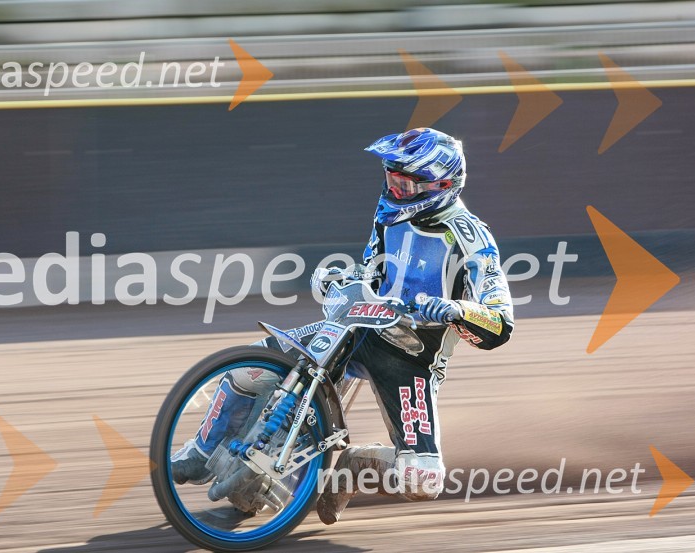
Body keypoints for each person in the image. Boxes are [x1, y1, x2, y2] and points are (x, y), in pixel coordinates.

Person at [170, 127, 514, 524]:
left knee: (423, 479)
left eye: (405, 183)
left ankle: (355, 466)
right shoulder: (388, 215)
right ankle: (201, 449)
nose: (394, 190)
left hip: (412, 357)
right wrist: (340, 277)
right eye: (391, 178)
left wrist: (454, 309)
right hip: (356, 327)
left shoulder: (472, 238)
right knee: (250, 368)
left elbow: (500, 322)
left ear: (442, 185)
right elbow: (370, 270)